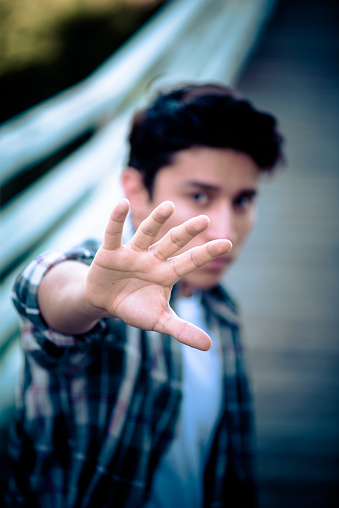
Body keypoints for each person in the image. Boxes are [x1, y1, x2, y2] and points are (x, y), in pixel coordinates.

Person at [6, 83, 283, 508]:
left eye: (243, 201)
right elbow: (48, 292)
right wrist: (91, 299)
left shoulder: (221, 311)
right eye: (200, 195)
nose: (226, 230)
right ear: (136, 190)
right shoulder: (107, 295)